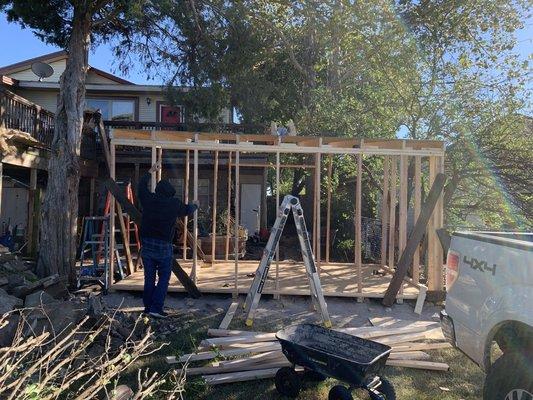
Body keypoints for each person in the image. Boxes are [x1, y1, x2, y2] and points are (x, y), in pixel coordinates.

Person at [138, 161, 198, 318]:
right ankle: (156, 308)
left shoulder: (148, 199)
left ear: (158, 190)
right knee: (164, 278)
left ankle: (148, 308)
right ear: (170, 192)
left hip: (148, 245)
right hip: (164, 247)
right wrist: (195, 205)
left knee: (149, 279)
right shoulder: (173, 204)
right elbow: (187, 210)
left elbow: (141, 187)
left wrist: (150, 171)